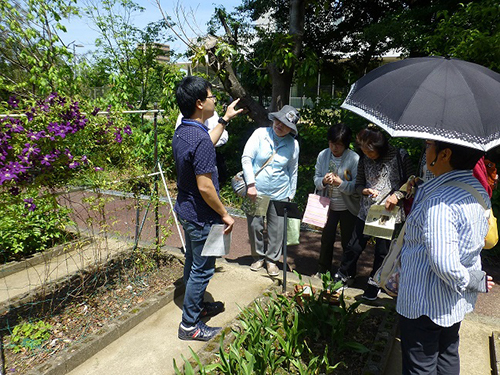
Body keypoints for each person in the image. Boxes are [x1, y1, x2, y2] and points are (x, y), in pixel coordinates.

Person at [397, 140, 495, 374]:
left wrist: (473, 280)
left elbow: (444, 263)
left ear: (445, 154)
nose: (426, 149)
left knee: (421, 365)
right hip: (453, 300)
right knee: (448, 352)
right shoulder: (477, 189)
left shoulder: (440, 201)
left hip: (424, 301)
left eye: (430, 145)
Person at [173, 76, 242, 341]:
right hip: (202, 217)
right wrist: (225, 213)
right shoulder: (198, 137)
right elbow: (205, 187)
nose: (215, 100)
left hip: (187, 211)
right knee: (203, 270)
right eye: (212, 97)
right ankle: (189, 326)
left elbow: (206, 144)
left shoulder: (185, 131)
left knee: (193, 262)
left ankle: (197, 306)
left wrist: (224, 119)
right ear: (200, 103)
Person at [335, 126, 413, 300]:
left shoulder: (400, 156)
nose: (367, 155)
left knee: (382, 251)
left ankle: (374, 281)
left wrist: (397, 195)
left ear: (380, 147)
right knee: (354, 246)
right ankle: (343, 274)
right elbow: (359, 184)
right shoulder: (364, 159)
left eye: (370, 152)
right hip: (367, 210)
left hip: (388, 212)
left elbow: (412, 181)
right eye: (363, 151)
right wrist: (365, 191)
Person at [242, 105, 300, 277]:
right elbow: (247, 158)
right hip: (257, 191)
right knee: (255, 226)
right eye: (278, 120)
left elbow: (293, 170)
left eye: (284, 124)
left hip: (281, 192)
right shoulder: (260, 134)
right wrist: (250, 184)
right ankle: (258, 256)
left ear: (291, 128)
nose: (279, 125)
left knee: (277, 230)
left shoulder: (293, 145)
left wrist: (291, 194)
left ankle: (271, 260)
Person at [313, 123, 360, 277]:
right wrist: (323, 181)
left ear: (346, 144)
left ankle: (347, 274)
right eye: (332, 143)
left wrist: (341, 184)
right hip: (327, 205)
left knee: (348, 243)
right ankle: (322, 270)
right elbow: (316, 178)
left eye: (339, 145)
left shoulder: (354, 158)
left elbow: (355, 187)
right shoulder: (323, 155)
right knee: (326, 239)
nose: (334, 148)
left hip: (347, 207)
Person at [176, 111, 229, 185]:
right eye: (211, 98)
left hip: (210, 159)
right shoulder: (184, 117)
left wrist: (206, 142)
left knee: (211, 183)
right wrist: (205, 142)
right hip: (191, 164)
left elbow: (224, 136)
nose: (214, 101)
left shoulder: (213, 114)